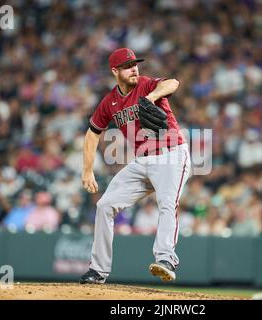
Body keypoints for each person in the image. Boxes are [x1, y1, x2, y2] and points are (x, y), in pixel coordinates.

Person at [79, 48, 191, 284]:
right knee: (105, 205)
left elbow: (173, 82)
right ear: (114, 71)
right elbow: (92, 133)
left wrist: (150, 98)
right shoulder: (110, 102)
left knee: (167, 203)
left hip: (171, 154)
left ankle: (165, 259)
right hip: (142, 161)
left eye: (135, 64)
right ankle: (98, 271)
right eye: (128, 66)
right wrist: (87, 170)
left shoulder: (146, 85)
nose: (134, 68)